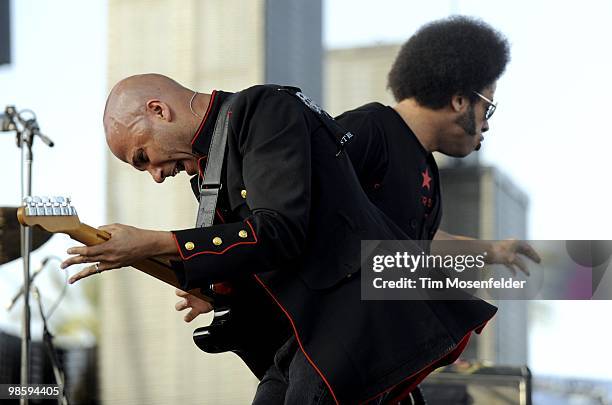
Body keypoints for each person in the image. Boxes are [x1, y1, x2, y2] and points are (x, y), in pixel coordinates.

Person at [174, 16, 540, 403]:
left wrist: (492, 251)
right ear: (460, 99)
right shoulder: (369, 129)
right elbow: (288, 208)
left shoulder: (426, 173)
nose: (486, 123)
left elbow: (413, 248)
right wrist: (225, 282)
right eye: (489, 105)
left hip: (373, 353)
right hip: (323, 345)